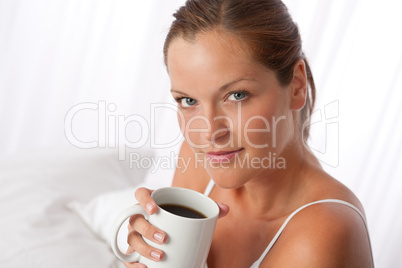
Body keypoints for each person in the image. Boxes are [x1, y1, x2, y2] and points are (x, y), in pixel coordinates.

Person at [125, 0, 374, 267]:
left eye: (237, 95)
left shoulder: (324, 233)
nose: (209, 133)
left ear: (297, 86)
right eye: (188, 100)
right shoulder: (202, 160)